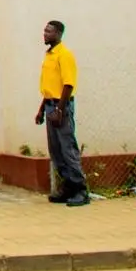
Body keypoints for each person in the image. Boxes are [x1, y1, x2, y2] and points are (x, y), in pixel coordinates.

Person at [35, 19, 88, 206]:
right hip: (50, 105)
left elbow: (68, 84)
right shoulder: (49, 55)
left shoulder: (64, 55)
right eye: (44, 30)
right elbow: (51, 87)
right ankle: (68, 188)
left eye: (48, 31)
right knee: (56, 151)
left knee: (68, 149)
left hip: (61, 107)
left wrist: (59, 109)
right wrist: (42, 110)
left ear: (58, 34)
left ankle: (80, 190)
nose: (45, 34)